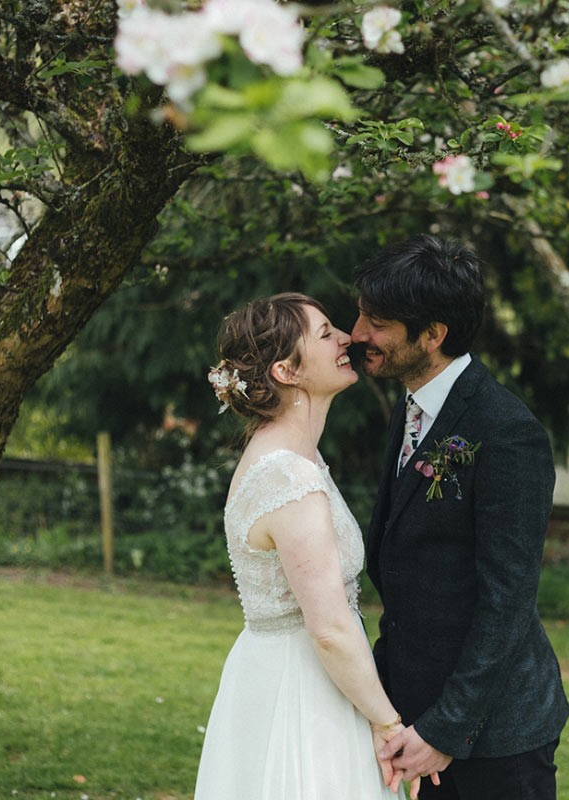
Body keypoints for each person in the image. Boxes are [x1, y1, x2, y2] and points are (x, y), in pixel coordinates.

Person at [351, 235, 569, 799]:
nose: (357, 335)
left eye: (377, 322)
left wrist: (446, 728)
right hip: (418, 713)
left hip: (495, 734)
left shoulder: (506, 432)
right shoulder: (412, 408)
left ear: (432, 335)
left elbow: (508, 601)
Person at [193, 292, 418, 800]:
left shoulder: (294, 459)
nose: (347, 338)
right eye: (325, 334)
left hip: (282, 673)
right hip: (303, 690)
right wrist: (388, 725)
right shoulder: (287, 476)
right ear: (286, 372)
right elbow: (332, 629)